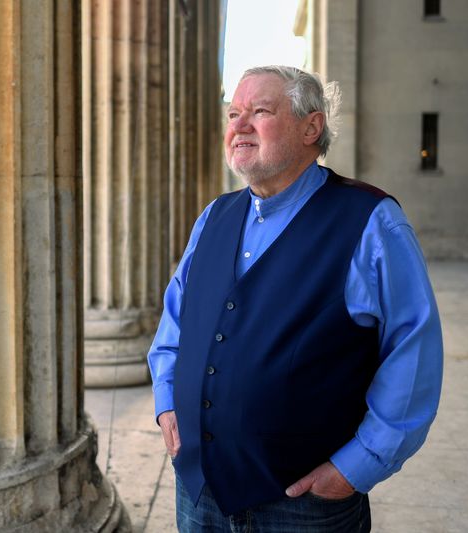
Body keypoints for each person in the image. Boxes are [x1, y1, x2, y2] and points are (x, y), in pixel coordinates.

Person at [147, 65, 443, 532]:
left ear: (312, 127)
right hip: (199, 491)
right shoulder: (213, 217)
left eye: (260, 111)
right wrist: (167, 400)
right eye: (233, 113)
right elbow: (176, 322)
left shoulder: (371, 221)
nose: (239, 125)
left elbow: (413, 353)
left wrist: (357, 467)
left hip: (304, 506)